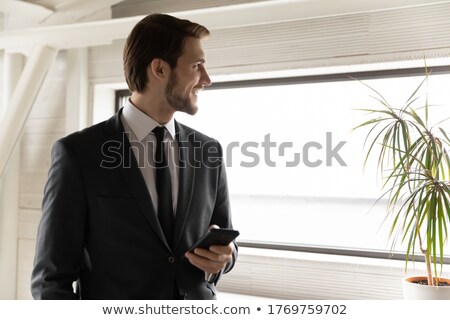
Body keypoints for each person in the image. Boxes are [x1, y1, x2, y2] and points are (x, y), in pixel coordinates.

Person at [31, 13, 237, 300]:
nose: (207, 79)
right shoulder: (78, 154)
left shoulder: (209, 151)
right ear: (159, 69)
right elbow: (51, 280)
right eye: (196, 66)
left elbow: (224, 237)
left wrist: (225, 257)